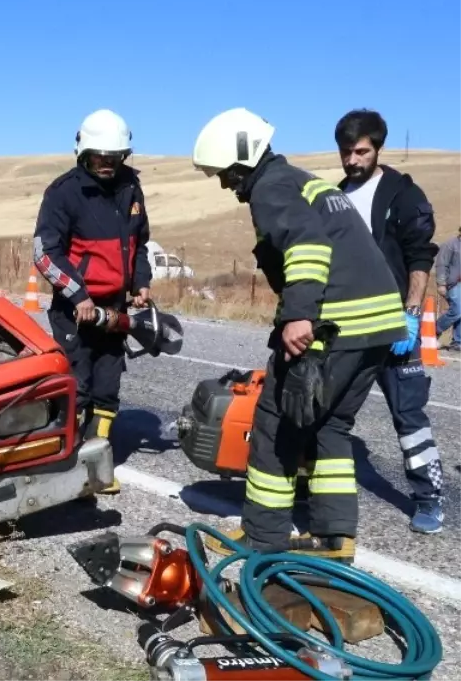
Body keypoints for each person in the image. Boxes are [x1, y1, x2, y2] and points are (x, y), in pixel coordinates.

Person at [192, 107, 406, 560]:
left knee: (273, 424)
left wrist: (300, 316)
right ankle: (335, 538)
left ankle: (263, 537)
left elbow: (307, 246)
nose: (225, 184)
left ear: (241, 160)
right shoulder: (300, 180)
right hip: (379, 323)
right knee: (331, 426)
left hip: (338, 321)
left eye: (226, 174)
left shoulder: (270, 187)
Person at [334, 109, 445, 534]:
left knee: (409, 416)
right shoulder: (337, 195)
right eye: (346, 152)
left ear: (377, 148)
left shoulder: (402, 193)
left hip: (398, 327)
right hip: (350, 327)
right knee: (331, 414)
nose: (352, 161)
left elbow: (420, 255)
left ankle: (429, 498)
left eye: (361, 151)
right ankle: (322, 496)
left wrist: (411, 315)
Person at [33, 109, 151, 494]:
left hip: (114, 311)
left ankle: (98, 461)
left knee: (107, 389)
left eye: (114, 158)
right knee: (78, 388)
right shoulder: (64, 192)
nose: (107, 164)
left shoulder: (130, 188)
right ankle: (64, 464)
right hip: (76, 312)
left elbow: (138, 243)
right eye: (100, 157)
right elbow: (45, 253)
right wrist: (77, 294)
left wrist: (140, 281)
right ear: (84, 153)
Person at [436, 226, 461, 351]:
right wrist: (441, 283)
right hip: (453, 284)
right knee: (457, 310)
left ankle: (458, 342)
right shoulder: (451, 245)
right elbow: (442, 264)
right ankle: (434, 330)